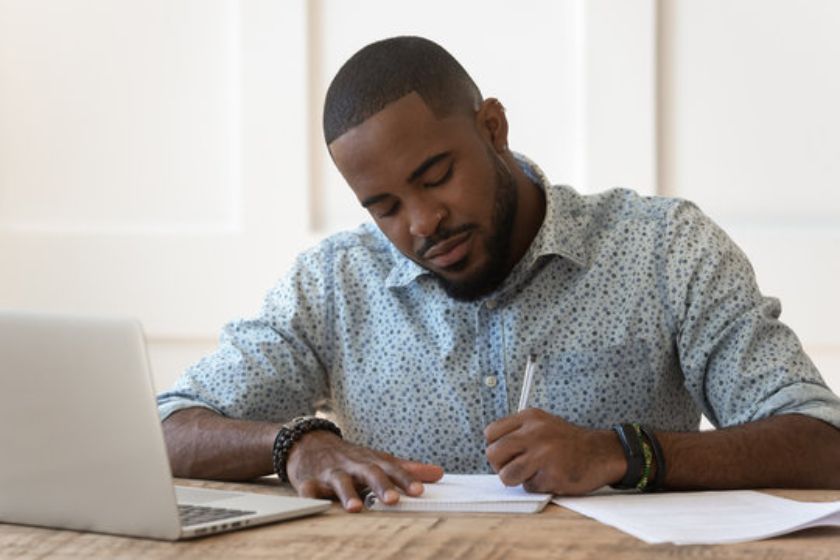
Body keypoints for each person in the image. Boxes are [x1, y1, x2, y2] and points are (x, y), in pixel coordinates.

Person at [158, 36, 840, 512]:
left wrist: (621, 453)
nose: (421, 222)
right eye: (385, 207)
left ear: (493, 127)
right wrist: (294, 444)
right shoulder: (336, 284)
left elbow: (820, 442)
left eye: (436, 176)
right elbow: (163, 431)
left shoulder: (662, 249)